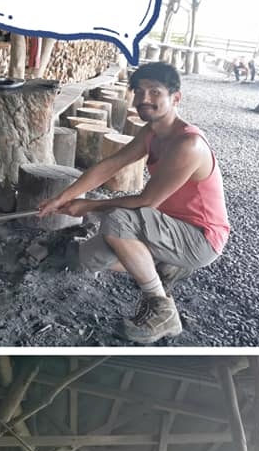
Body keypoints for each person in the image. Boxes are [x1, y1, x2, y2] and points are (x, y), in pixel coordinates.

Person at [39, 61, 229, 344]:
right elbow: (111, 165)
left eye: (155, 92)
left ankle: (161, 307)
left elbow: (147, 200)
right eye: (139, 91)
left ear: (175, 98)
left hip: (199, 237)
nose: (144, 99)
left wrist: (87, 205)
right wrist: (63, 197)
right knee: (88, 258)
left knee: (117, 219)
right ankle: (164, 265)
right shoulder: (153, 132)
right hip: (168, 226)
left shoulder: (188, 144)